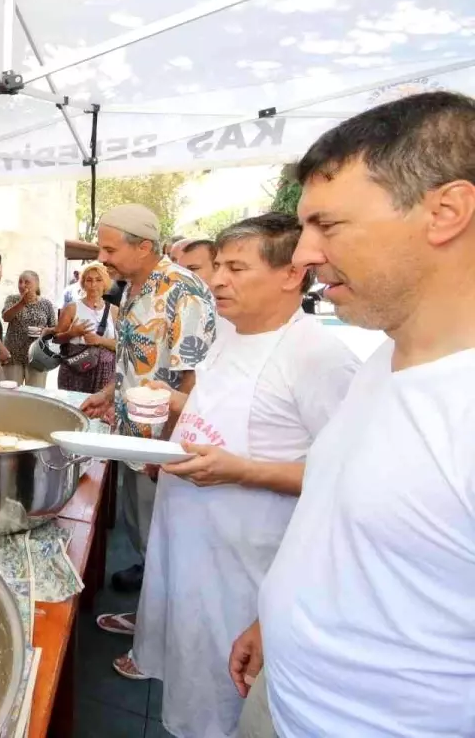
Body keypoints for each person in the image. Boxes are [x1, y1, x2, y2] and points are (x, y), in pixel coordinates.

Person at [230, 91, 475, 738]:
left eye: (328, 226)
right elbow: (348, 516)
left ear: (446, 210)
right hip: (281, 694)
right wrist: (275, 620)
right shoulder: (387, 360)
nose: (304, 254)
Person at [115, 214, 360, 738]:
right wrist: (170, 402)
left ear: (291, 274)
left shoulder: (317, 356)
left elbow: (346, 477)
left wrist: (241, 471)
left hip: (246, 563)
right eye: (218, 266)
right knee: (187, 670)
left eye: (235, 268)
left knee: (223, 693)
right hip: (190, 542)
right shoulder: (227, 333)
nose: (217, 280)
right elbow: (215, 411)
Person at [80, 204, 216, 600]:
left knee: (168, 541)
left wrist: (169, 453)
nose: (102, 259)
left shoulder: (183, 290)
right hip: (133, 437)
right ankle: (149, 609)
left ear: (142, 247)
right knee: (141, 529)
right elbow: (133, 357)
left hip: (163, 446)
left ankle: (161, 628)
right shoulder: (131, 289)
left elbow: (192, 379)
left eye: (109, 250)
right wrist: (108, 395)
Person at [53, 262, 118, 394]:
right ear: (83, 283)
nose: (93, 285)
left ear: (105, 283)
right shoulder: (72, 308)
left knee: (98, 412)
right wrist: (72, 333)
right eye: (89, 280)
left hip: (104, 374)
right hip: (75, 370)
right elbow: (56, 339)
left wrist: (100, 340)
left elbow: (122, 346)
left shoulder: (114, 311)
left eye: (98, 280)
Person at [0, 271, 57, 387]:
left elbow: (54, 328)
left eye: (27, 282)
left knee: (36, 394)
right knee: (12, 393)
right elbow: (6, 317)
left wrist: (46, 331)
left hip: (38, 356)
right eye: (20, 282)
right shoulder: (12, 299)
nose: (22, 285)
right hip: (14, 355)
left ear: (36, 285)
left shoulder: (46, 304)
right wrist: (22, 303)